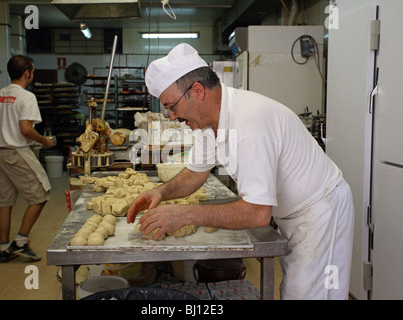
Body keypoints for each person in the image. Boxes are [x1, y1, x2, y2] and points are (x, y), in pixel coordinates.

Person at [127, 43, 354, 300]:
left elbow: (257, 213)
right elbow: (195, 173)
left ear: (198, 91)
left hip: (320, 211)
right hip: (292, 214)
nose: (170, 116)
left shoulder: (249, 122)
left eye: (172, 106)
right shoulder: (205, 123)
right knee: (295, 291)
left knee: (308, 295)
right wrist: (160, 193)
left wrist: (184, 214)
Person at [0, 55, 54, 263]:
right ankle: (20, 242)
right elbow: (25, 129)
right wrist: (44, 141)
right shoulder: (26, 97)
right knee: (41, 195)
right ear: (27, 72)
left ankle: (4, 248)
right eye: (32, 71)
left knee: (4, 203)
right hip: (15, 153)